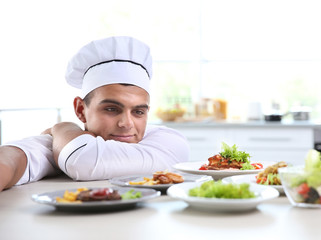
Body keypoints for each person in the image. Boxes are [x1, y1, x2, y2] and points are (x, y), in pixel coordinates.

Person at [0, 36, 190, 192]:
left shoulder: (167, 140)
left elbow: (81, 159)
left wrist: (64, 126)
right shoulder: (57, 144)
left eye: (138, 111)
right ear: (81, 110)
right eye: (111, 109)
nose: (126, 123)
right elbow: (10, 159)